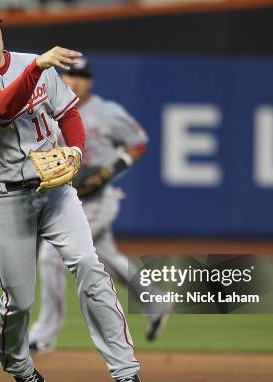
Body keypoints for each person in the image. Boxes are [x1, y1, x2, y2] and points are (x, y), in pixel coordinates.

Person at [0, 4, 145, 382]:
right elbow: (0, 108)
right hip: (4, 200)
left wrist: (74, 149)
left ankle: (124, 368)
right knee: (19, 301)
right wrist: (37, 67)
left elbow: (69, 112)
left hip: (55, 194)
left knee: (89, 265)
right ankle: (17, 363)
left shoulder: (33, 66)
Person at [28, 59, 169, 354]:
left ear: (89, 81)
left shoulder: (107, 112)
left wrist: (112, 169)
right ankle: (154, 298)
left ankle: (44, 334)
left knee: (52, 254)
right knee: (105, 256)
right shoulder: (47, 108)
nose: (75, 80)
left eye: (82, 75)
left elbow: (138, 142)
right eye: (70, 74)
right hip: (64, 196)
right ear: (62, 77)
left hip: (97, 198)